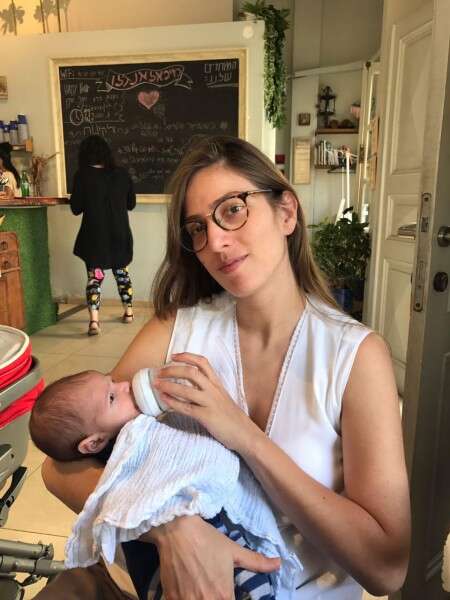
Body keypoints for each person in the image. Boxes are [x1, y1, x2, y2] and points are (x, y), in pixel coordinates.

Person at [41, 135, 411, 600]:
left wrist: (243, 434)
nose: (215, 240)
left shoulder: (355, 357)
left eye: (233, 209)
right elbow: (59, 467)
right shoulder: (174, 330)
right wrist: (172, 528)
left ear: (286, 213)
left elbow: (386, 569)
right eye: (197, 228)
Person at [29, 369, 301, 599]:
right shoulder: (121, 455)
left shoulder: (136, 421)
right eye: (112, 396)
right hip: (160, 567)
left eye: (114, 382)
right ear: (94, 443)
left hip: (222, 533)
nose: (125, 385)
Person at [70, 135, 136, 336]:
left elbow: (76, 208)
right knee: (122, 272)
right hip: (119, 233)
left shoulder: (82, 175)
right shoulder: (122, 174)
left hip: (94, 236)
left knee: (94, 277)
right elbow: (131, 204)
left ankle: (94, 321)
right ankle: (129, 312)